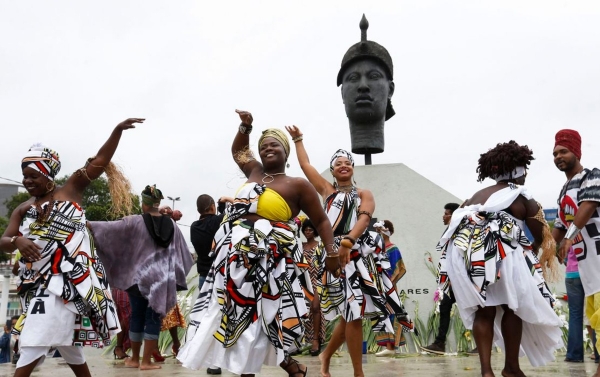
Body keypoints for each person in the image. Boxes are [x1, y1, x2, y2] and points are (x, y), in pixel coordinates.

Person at [177, 110, 340, 377]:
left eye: (274, 144)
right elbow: (239, 151)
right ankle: (291, 366)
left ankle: (271, 368)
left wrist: (332, 253)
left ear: (286, 151)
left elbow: (322, 221)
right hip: (235, 260)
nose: (267, 149)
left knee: (262, 316)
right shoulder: (253, 170)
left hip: (271, 262)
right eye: (263, 147)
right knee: (232, 315)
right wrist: (245, 126)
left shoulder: (297, 185)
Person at [0, 118, 142, 377]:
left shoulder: (71, 189)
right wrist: (16, 241)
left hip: (71, 281)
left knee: (34, 340)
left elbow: (99, 161)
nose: (27, 181)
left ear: (47, 174)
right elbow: (4, 243)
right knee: (69, 347)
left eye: (33, 176)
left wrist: (117, 131)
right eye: (25, 176)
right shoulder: (23, 208)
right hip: (38, 284)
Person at [286, 125, 412, 377]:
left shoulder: (364, 193)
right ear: (332, 171)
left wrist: (348, 242)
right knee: (351, 313)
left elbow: (364, 218)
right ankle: (356, 372)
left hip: (358, 257)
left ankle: (328, 358)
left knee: (350, 315)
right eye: (338, 164)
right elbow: (306, 166)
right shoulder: (326, 191)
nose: (343, 166)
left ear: (353, 168)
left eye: (347, 163)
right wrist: (298, 139)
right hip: (333, 258)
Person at [437, 140, 562, 377]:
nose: (525, 174)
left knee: (484, 312)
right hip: (505, 259)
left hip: (470, 261)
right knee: (512, 309)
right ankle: (511, 368)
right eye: (524, 168)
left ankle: (486, 371)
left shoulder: (473, 196)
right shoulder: (521, 195)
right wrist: (529, 259)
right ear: (516, 170)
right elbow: (540, 235)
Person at [88, 184, 194, 370]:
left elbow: (110, 230)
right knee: (153, 318)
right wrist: (173, 277)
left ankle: (135, 358)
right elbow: (183, 254)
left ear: (144, 204)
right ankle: (147, 362)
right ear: (158, 203)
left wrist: (89, 224)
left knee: (137, 316)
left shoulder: (134, 222)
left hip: (137, 280)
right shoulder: (172, 226)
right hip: (160, 282)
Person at [552, 129, 600, 377]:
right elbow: (559, 226)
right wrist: (543, 254)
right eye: (555, 153)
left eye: (564, 151)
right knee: (594, 319)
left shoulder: (592, 176)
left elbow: (588, 206)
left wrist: (569, 239)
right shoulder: (563, 190)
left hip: (599, 257)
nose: (559, 156)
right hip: (584, 265)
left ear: (576, 152)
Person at [422, 202, 480, 355]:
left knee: (476, 310)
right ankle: (439, 343)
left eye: (447, 213)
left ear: (455, 215)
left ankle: (482, 345)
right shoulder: (451, 231)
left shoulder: (464, 231)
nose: (444, 216)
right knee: (445, 305)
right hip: (452, 280)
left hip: (464, 279)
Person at [188, 194, 231, 375]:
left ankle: (211, 360)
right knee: (223, 318)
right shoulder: (219, 221)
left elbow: (215, 225)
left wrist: (219, 210)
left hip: (204, 277)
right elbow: (227, 222)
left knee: (207, 318)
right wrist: (226, 203)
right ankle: (220, 361)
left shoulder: (194, 227)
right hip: (221, 277)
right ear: (212, 206)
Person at [373, 220, 407, 357]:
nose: (379, 231)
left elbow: (399, 268)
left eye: (382, 228)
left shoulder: (393, 248)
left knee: (391, 313)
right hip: (379, 286)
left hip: (389, 286)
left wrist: (390, 282)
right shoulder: (376, 249)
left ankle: (391, 346)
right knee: (382, 314)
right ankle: (388, 345)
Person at [300, 219, 326, 356]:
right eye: (305, 229)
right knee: (302, 311)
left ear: (315, 231)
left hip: (316, 280)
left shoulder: (320, 245)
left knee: (315, 308)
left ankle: (316, 339)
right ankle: (300, 341)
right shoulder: (300, 246)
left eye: (310, 229)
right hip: (303, 282)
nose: (307, 232)